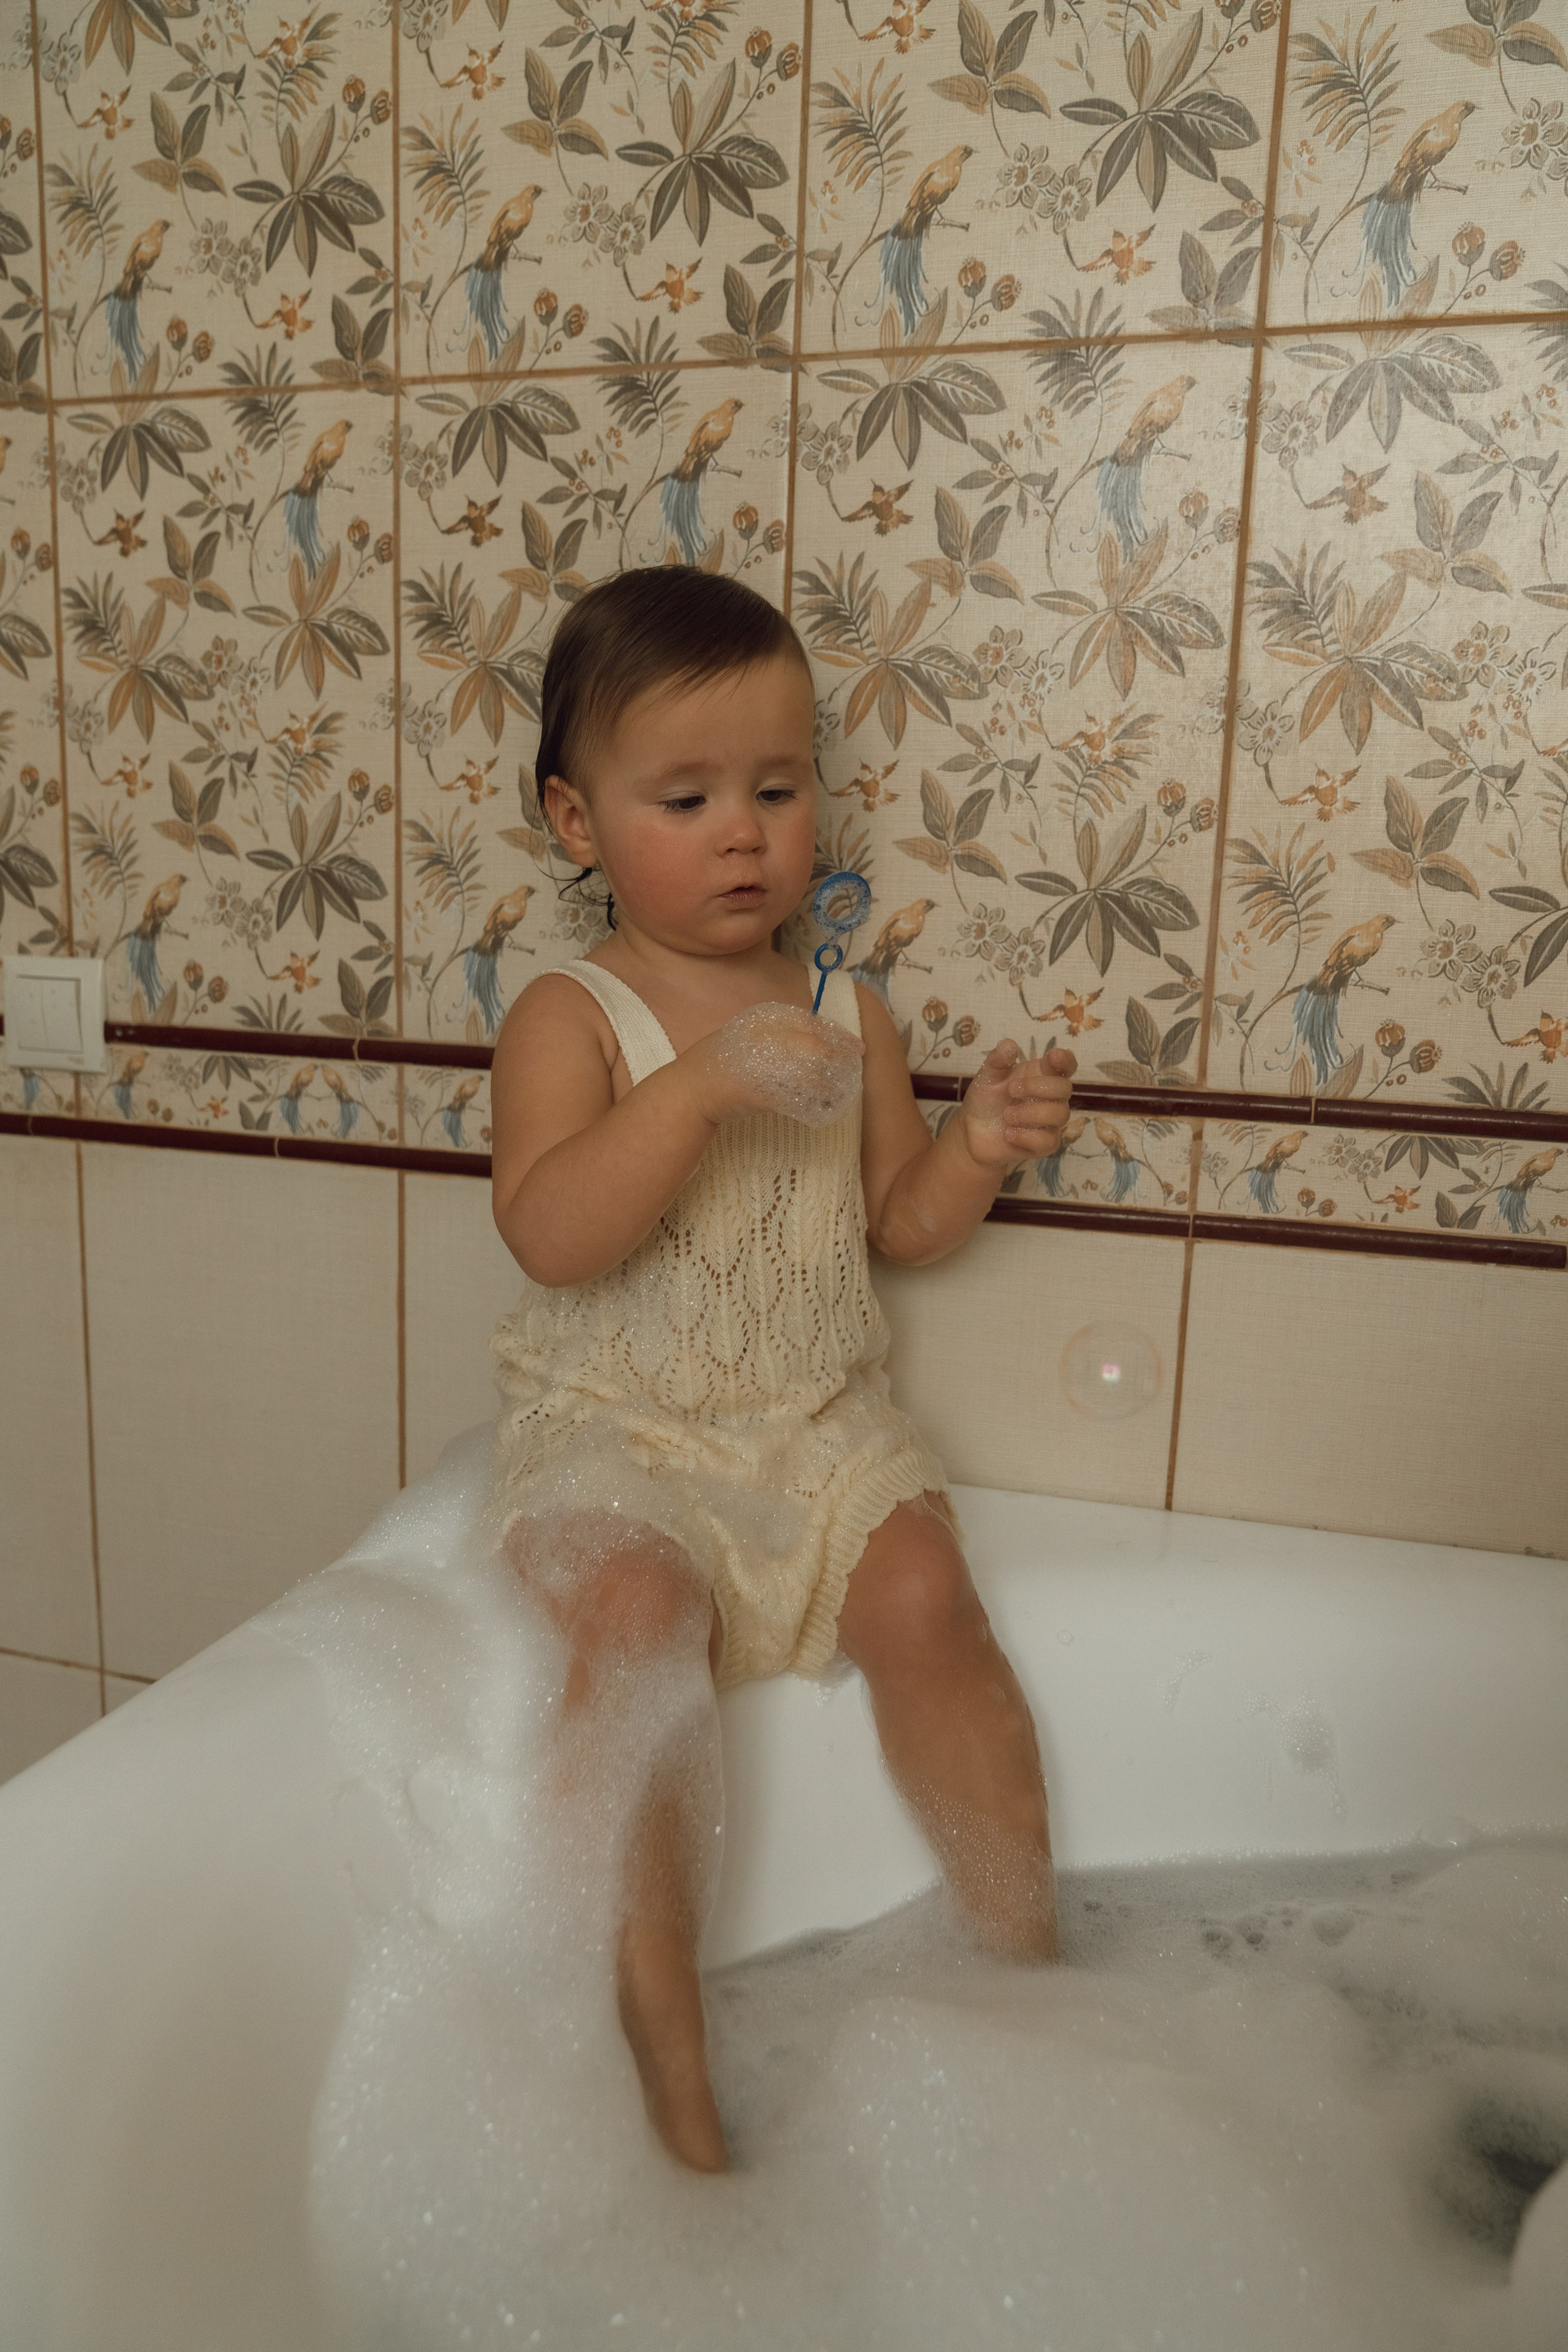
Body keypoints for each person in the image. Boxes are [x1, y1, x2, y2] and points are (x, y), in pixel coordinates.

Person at [488, 568, 1076, 2173]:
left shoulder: (844, 1010)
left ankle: (1028, 1976)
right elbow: (550, 1234)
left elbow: (898, 1224)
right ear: (577, 821)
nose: (744, 833)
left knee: (928, 1597)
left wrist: (974, 1149)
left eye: (777, 787)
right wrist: (694, 1090)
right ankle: (669, 2059)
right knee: (634, 1617)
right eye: (687, 799)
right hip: (620, 1431)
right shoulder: (572, 1015)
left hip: (815, 1429)